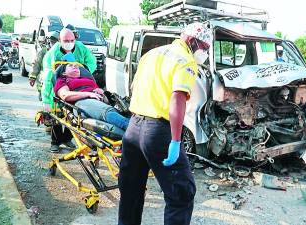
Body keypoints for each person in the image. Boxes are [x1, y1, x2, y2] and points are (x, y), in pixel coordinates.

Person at [118, 22, 212, 225]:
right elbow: (177, 98)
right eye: (205, 48)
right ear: (193, 41)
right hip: (157, 132)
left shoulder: (151, 54)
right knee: (182, 193)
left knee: (131, 191)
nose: (205, 53)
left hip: (133, 128)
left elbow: (136, 88)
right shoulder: (185, 60)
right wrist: (176, 141)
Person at [42, 28, 97, 153]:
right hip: (59, 85)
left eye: (72, 40)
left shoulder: (81, 48)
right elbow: (48, 77)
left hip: (76, 85)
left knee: (73, 115)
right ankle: (55, 142)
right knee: (57, 115)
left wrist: (81, 72)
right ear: (60, 41)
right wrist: (46, 99)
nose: (69, 43)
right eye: (66, 40)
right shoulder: (53, 53)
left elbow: (91, 62)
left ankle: (67, 139)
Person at [53, 55, 129, 130]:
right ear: (64, 73)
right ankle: (133, 131)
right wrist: (88, 94)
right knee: (109, 112)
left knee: (126, 112)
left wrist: (101, 91)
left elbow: (99, 91)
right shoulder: (63, 80)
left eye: (76, 66)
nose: (75, 66)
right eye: (70, 66)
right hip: (81, 103)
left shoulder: (88, 80)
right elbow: (64, 95)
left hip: (99, 101)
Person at [29, 31, 59, 101]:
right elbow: (36, 64)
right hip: (43, 79)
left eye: (55, 42)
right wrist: (32, 77)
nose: (53, 44)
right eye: (52, 42)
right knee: (44, 98)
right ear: (48, 41)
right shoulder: (43, 51)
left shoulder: (60, 51)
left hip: (56, 80)